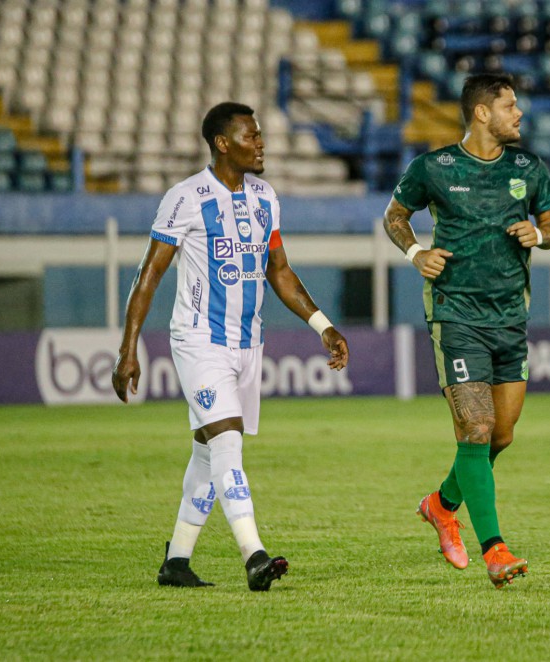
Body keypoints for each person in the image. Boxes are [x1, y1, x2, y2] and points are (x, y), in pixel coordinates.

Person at [111, 102, 349, 591]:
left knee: (206, 454)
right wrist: (127, 349)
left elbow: (278, 271)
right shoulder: (186, 198)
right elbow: (149, 274)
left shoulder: (265, 197)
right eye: (251, 136)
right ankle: (254, 554)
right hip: (199, 341)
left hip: (247, 344)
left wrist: (323, 324)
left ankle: (175, 561)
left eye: (260, 135)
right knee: (228, 444)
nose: (261, 143)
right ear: (223, 143)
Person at [382, 73, 550, 588]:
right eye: (510, 106)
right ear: (482, 113)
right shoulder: (433, 168)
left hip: (511, 317)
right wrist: (416, 251)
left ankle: (441, 505)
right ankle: (495, 549)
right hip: (456, 316)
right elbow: (395, 216)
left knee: (500, 437)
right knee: (476, 429)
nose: (519, 115)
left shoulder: (529, 169)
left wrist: (541, 235)